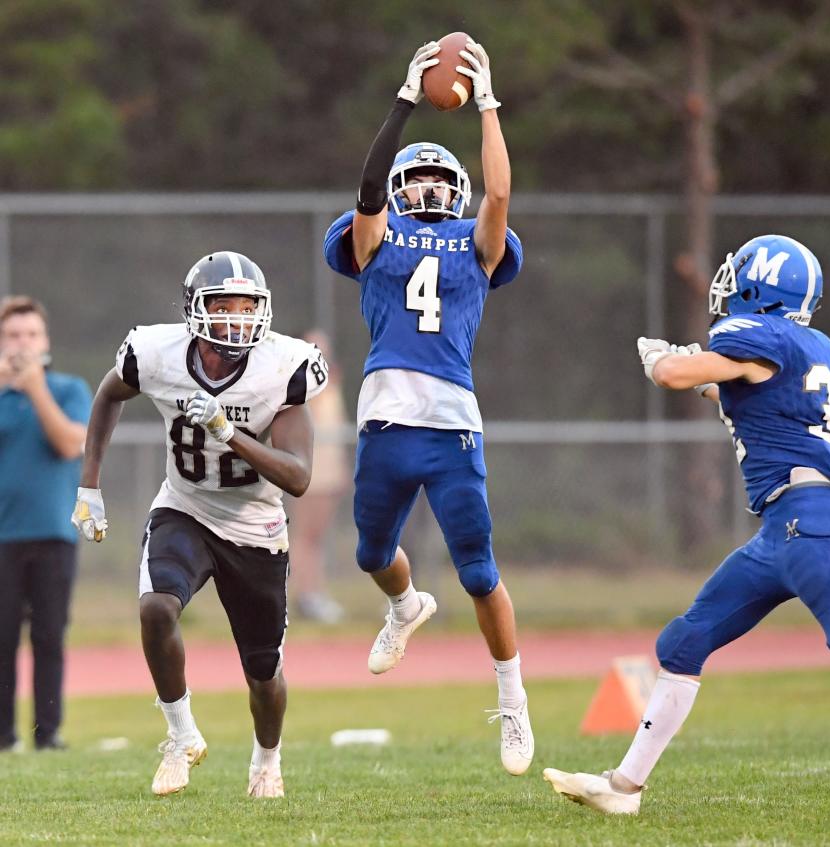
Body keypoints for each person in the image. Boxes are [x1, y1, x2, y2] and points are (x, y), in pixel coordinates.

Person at [544, 234, 830, 814]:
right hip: (786, 525)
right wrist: (701, 373)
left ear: (761, 286)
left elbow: (674, 378)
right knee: (685, 640)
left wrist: (664, 360)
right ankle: (624, 790)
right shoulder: (813, 347)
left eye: (739, 276)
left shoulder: (759, 336)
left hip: (806, 519)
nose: (728, 285)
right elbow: (749, 394)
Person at [323, 39, 533, 775]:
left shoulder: (479, 244)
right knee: (371, 553)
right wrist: (404, 100)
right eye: (422, 179)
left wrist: (486, 103)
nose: (432, 190)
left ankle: (512, 698)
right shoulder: (374, 236)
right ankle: (405, 604)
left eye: (445, 182)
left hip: (451, 426)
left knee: (478, 570)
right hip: (385, 418)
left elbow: (501, 196)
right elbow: (368, 192)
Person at [72, 251, 327, 798]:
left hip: (256, 524)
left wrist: (229, 432)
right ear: (195, 309)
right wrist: (89, 483)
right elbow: (110, 392)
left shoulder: (283, 366)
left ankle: (266, 760)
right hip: (185, 507)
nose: (236, 319)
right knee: (156, 606)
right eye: (223, 306)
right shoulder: (156, 352)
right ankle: (180, 736)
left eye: (246, 307)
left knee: (263, 669)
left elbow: (300, 478)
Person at [0, 296, 90, 752]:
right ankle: (2, 736)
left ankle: (47, 733)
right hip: (3, 537)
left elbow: (70, 444)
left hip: (53, 532)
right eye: (14, 335)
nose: (23, 344)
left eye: (31, 335)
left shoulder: (68, 389)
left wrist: (35, 389)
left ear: (46, 341)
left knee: (49, 635)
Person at [288, 328, 350, 624]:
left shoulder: (332, 385)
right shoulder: (304, 386)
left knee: (317, 538)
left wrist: (343, 470)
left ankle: (316, 593)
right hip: (311, 476)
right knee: (305, 537)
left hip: (329, 474)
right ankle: (306, 596)